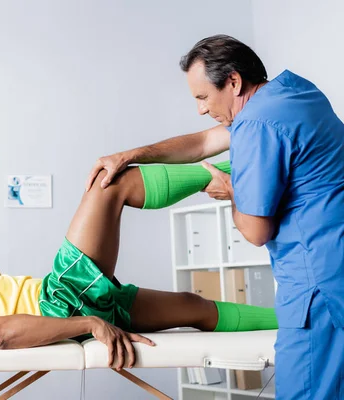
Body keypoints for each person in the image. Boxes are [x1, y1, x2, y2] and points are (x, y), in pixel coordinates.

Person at [86, 35, 344, 398]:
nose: (201, 109)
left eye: (203, 97)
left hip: (317, 280)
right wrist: (130, 155)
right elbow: (203, 143)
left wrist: (231, 193)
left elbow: (255, 230)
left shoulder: (256, 127)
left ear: (234, 82)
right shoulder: (293, 92)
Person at [0, 164, 277, 371]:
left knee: (193, 308)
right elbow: (1, 335)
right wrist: (90, 323)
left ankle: (298, 322)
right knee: (111, 182)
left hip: (65, 305)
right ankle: (242, 169)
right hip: (62, 302)